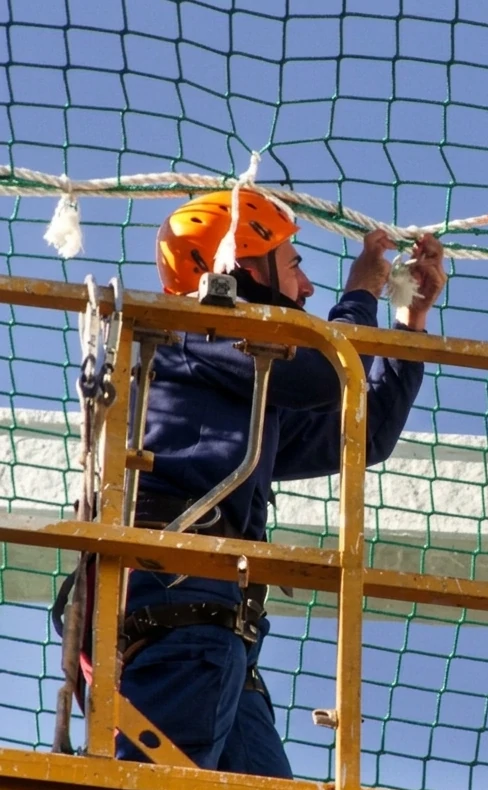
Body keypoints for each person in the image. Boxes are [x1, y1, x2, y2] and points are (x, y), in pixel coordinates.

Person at [53, 190, 447, 776]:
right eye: (295, 266)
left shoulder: (245, 392)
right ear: (241, 268)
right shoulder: (195, 334)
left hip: (211, 618)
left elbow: (369, 432)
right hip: (175, 596)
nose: (308, 289)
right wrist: (361, 290)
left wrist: (407, 319)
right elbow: (327, 374)